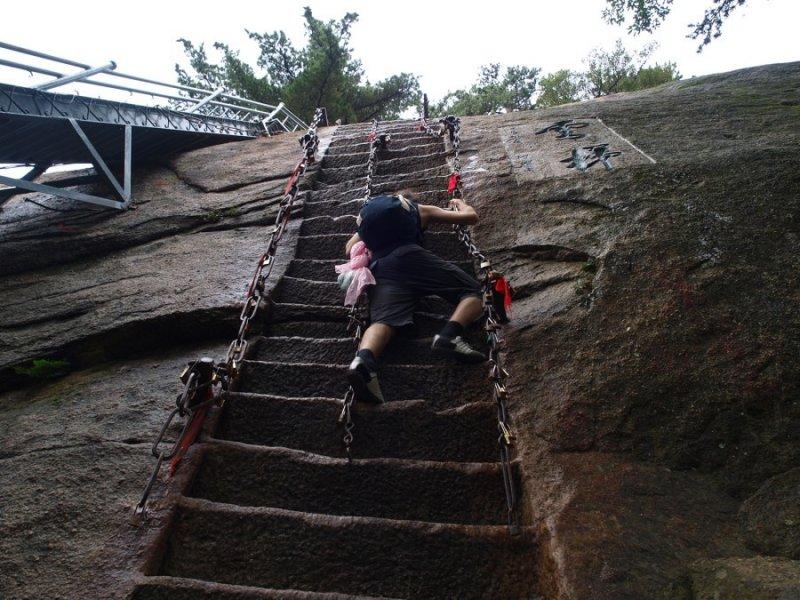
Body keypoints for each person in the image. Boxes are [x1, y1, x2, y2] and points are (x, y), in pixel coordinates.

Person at [343, 190, 486, 404]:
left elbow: (349, 248)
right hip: (411, 256)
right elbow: (470, 218)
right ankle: (449, 335)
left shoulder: (372, 220)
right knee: (474, 291)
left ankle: (363, 361)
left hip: (381, 269)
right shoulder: (420, 210)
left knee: (384, 321)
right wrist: (461, 204)